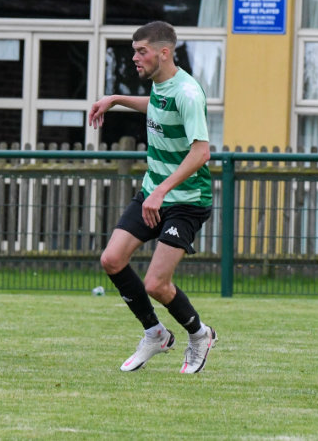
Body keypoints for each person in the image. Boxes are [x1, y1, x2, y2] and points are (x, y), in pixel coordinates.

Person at [88, 21, 217, 374]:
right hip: (153, 193)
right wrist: (116, 100)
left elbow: (202, 152)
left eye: (141, 51)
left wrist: (161, 191)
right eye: (134, 51)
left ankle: (200, 334)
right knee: (112, 259)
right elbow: (158, 106)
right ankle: (155, 333)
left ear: (164, 52)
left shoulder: (188, 93)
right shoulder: (162, 86)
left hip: (186, 201)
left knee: (156, 284)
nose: (134, 57)